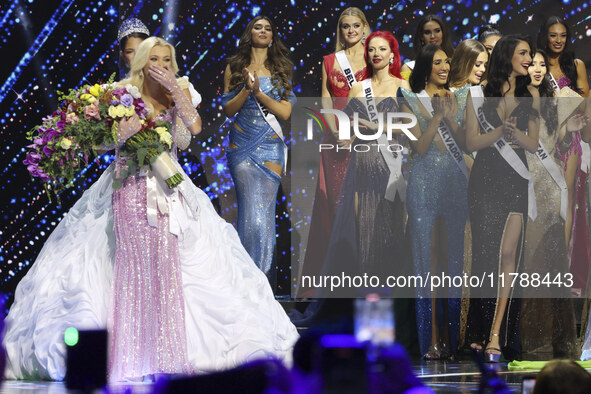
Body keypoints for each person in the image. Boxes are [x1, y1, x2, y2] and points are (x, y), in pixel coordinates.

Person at [3, 36, 298, 382]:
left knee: (168, 262)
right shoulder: (121, 96)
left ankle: (166, 350)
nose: (161, 65)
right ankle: (128, 354)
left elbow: (192, 133)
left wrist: (175, 91)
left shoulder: (177, 92)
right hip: (129, 187)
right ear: (142, 62)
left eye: (167, 60)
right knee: (134, 264)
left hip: (170, 190)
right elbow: (99, 145)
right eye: (154, 59)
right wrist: (120, 135)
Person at [464, 35, 540, 362]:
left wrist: (515, 134)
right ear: (508, 56)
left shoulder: (531, 95)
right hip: (485, 179)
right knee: (485, 257)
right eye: (524, 54)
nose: (529, 59)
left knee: (509, 255)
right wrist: (498, 132)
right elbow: (470, 141)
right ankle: (479, 333)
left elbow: (534, 144)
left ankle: (498, 334)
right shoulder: (478, 94)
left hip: (515, 180)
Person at [399, 44, 468, 359]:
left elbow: (464, 143)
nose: (444, 66)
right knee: (427, 265)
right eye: (438, 62)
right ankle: (430, 340)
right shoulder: (408, 99)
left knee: (451, 263)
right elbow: (422, 146)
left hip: (455, 187)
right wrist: (437, 118)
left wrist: (449, 117)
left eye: (447, 61)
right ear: (425, 67)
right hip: (423, 187)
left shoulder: (461, 97)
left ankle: (451, 341)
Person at [298, 7, 369, 294]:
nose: (350, 31)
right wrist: (338, 130)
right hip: (335, 138)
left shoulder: (376, 57)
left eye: (355, 25)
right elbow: (326, 100)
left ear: (365, 27)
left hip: (367, 135)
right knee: (336, 206)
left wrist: (357, 132)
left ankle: (364, 280)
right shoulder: (330, 61)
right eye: (345, 26)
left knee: (365, 209)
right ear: (339, 30)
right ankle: (338, 284)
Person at [520, 49, 582, 359]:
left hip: (552, 180)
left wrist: (568, 131)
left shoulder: (553, 99)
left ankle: (557, 338)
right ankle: (532, 338)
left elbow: (557, 141)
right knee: (531, 258)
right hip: (526, 178)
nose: (538, 69)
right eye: (532, 63)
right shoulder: (515, 96)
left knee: (553, 258)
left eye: (543, 64)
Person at [222, 16, 294, 279]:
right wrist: (246, 90)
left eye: (268, 28)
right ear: (249, 33)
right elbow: (228, 110)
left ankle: (264, 287)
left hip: (270, 146)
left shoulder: (281, 68)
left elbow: (285, 112)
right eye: (257, 27)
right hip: (241, 147)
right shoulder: (235, 66)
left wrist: (260, 94)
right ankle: (247, 286)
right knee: (249, 217)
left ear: (272, 36)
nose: (262, 31)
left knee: (264, 217)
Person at [537, 16, 590, 295]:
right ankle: (540, 267)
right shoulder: (536, 64)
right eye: (552, 35)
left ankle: (561, 269)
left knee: (567, 203)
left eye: (562, 36)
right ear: (544, 36)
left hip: (570, 139)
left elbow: (585, 102)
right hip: (543, 139)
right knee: (545, 204)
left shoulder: (575, 65)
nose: (557, 40)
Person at [118, 17, 202, 113]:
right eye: (130, 51)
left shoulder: (181, 88)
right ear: (123, 55)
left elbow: (193, 126)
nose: (137, 56)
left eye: (142, 51)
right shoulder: (118, 91)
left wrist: (174, 88)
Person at [400, 14, 455, 80]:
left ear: (443, 33)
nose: (432, 36)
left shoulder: (455, 64)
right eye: (427, 32)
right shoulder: (409, 68)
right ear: (421, 36)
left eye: (437, 31)